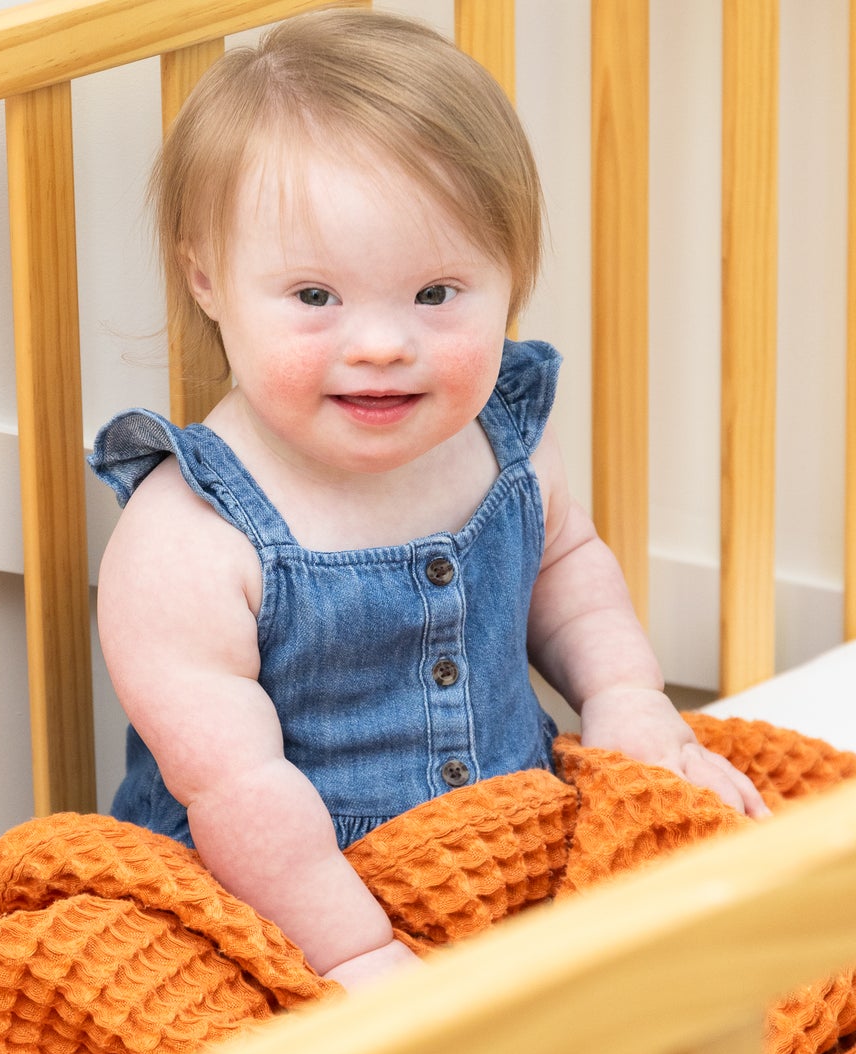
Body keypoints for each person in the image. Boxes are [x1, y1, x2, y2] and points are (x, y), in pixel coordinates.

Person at [92, 8, 768, 992]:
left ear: (511, 282)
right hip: (272, 909)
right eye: (314, 297)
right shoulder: (189, 536)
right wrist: (358, 956)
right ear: (208, 279)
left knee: (753, 923)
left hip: (509, 847)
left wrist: (626, 700)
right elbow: (237, 791)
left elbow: (570, 574)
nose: (379, 343)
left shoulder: (502, 447)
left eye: (436, 293)